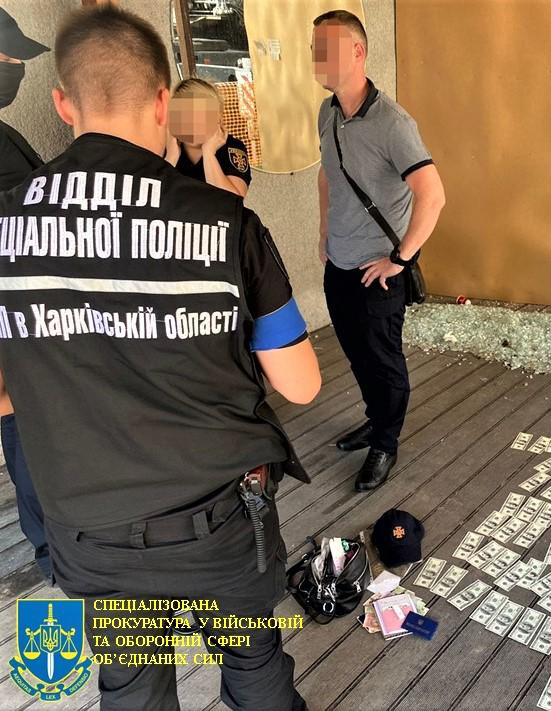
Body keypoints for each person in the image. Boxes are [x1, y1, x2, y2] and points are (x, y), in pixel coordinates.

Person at [0, 6, 320, 710]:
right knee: (254, 665)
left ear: (63, 103)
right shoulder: (228, 223)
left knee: (134, 685)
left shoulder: (6, 224)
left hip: (93, 530)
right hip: (220, 524)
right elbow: (300, 383)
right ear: (160, 101)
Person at [312, 10, 445, 491]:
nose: (317, 59)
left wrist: (400, 259)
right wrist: (324, 231)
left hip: (379, 270)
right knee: (356, 353)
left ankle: (385, 442)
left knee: (384, 362)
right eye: (314, 50)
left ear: (358, 52)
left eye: (326, 49)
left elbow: (433, 195)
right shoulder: (327, 112)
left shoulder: (393, 123)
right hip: (339, 262)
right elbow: (327, 173)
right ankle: (375, 420)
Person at [0, 6, 52, 582]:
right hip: (12, 332)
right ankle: (52, 553)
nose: (16, 67)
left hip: (29, 323)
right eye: (6, 57)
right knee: (25, 435)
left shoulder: (5, 133)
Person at [165, 77, 251, 197]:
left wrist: (209, 154)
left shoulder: (232, 147)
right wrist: (171, 158)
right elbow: (148, 200)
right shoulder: (165, 147)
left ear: (218, 117)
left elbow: (233, 200)